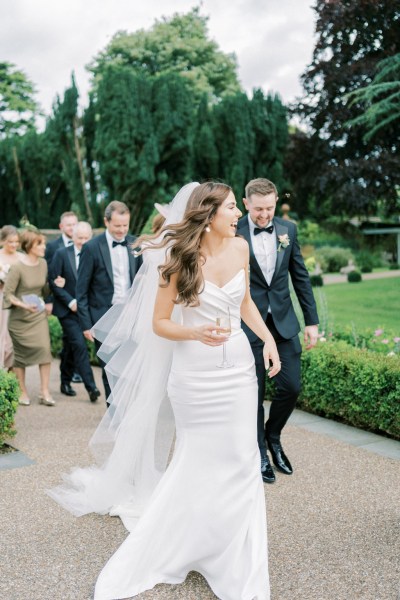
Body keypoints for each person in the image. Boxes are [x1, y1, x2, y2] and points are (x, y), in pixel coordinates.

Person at [49, 182, 280, 600]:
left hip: (239, 372)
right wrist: (193, 332)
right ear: (208, 215)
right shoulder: (178, 258)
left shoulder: (241, 249)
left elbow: (244, 302)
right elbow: (159, 323)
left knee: (243, 456)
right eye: (231, 208)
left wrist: (267, 339)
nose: (238, 214)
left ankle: (233, 553)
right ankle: (186, 542)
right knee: (197, 459)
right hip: (195, 375)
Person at [237, 178, 319, 484]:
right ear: (246, 204)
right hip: (248, 326)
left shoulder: (288, 229)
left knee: (291, 387)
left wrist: (311, 321)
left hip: (283, 323)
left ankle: (273, 436)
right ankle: (259, 452)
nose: (264, 215)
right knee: (253, 394)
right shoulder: (233, 232)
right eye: (258, 209)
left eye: (269, 208)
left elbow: (300, 276)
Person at [76, 200, 142, 401]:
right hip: (103, 317)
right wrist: (87, 324)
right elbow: (82, 291)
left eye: (125, 225)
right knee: (109, 366)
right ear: (106, 221)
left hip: (131, 317)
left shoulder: (135, 243)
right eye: (117, 225)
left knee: (130, 365)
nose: (122, 230)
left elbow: (141, 282)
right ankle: (114, 413)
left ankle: (128, 406)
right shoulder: (91, 248)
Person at [49, 222, 100, 403]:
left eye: (87, 238)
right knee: (79, 344)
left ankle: (64, 381)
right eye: (80, 238)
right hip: (67, 311)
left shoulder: (94, 255)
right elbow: (54, 282)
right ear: (73, 236)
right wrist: (71, 301)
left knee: (71, 347)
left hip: (86, 311)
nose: (83, 242)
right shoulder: (61, 254)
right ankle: (92, 387)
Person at [3, 229, 54, 406]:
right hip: (20, 319)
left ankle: (45, 392)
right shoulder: (17, 267)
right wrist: (24, 305)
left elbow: (44, 290)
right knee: (20, 356)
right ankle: (22, 392)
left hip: (38, 315)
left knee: (45, 349)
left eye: (44, 243)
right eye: (40, 244)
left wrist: (54, 286)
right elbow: (8, 294)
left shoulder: (44, 264)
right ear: (29, 246)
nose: (44, 247)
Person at [45, 211, 82, 394]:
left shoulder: (85, 244)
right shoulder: (52, 247)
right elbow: (48, 276)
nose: (72, 228)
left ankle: (70, 372)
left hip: (80, 302)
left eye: (75, 224)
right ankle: (68, 375)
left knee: (73, 341)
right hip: (61, 302)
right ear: (61, 226)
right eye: (68, 225)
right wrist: (48, 301)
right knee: (71, 339)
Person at [0, 225, 23, 369]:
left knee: (15, 338)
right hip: (2, 301)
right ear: (2, 241)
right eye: (10, 242)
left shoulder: (22, 258)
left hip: (18, 301)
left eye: (16, 241)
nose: (14, 245)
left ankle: (11, 376)